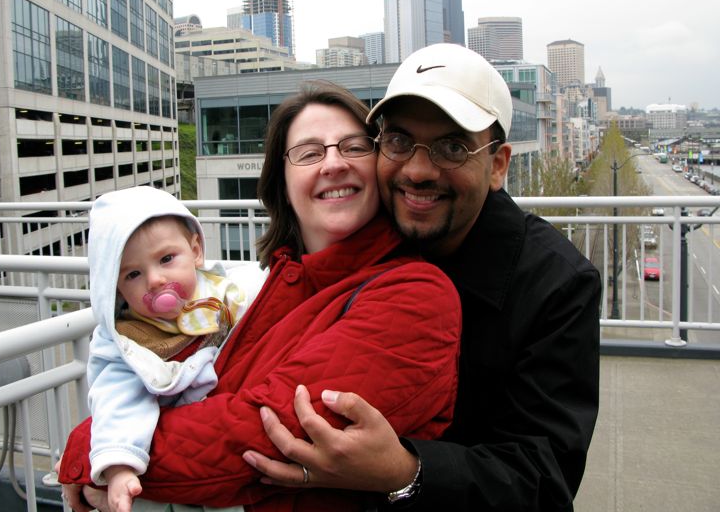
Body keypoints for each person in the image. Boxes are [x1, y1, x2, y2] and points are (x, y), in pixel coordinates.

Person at [58, 81, 463, 512]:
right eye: (309, 153)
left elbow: (258, 433)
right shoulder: (278, 284)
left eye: (353, 146)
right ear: (283, 183)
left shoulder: (415, 296)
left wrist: (89, 448)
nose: (333, 163)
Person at [242, 44, 602, 511]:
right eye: (398, 142)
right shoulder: (364, 239)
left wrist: (407, 471)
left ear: (497, 165)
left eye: (452, 147)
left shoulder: (556, 284)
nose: (417, 170)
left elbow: (544, 482)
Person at [84, 186, 249, 511]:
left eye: (166, 259)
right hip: (163, 458)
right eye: (133, 274)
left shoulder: (224, 295)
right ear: (115, 289)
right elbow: (117, 400)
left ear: (196, 251)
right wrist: (120, 466)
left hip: (227, 444)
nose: (155, 279)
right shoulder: (131, 341)